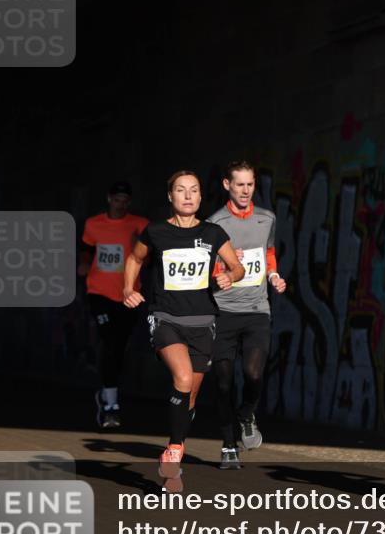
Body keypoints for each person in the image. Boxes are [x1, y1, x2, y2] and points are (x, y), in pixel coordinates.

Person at [123, 171, 243, 492]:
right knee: (183, 378)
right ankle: (175, 453)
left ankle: (173, 456)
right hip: (166, 319)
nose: (188, 196)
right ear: (170, 197)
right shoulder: (157, 232)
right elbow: (135, 259)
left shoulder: (213, 233)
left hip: (203, 323)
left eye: (194, 191)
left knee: (188, 399)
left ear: (201, 197)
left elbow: (237, 267)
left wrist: (230, 275)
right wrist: (127, 288)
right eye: (181, 190)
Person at [207, 161, 287, 469]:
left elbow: (267, 252)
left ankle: (247, 412)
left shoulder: (267, 218)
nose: (245, 190)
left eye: (250, 185)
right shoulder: (215, 223)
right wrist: (221, 270)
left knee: (254, 373)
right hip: (223, 311)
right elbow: (205, 265)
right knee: (224, 382)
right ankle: (228, 445)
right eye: (239, 184)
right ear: (227, 185)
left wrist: (274, 276)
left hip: (256, 309)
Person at [78, 181, 149, 428]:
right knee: (109, 342)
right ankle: (110, 404)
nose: (121, 204)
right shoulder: (93, 224)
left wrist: (139, 242)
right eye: (117, 199)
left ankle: (107, 394)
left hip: (128, 295)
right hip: (99, 292)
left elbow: (150, 257)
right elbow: (86, 248)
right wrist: (85, 263)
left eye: (125, 201)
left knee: (118, 347)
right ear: (109, 199)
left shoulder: (140, 224)